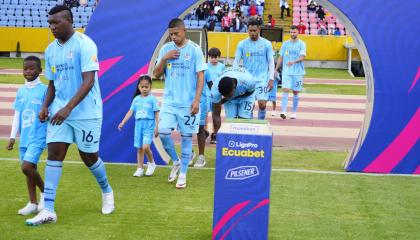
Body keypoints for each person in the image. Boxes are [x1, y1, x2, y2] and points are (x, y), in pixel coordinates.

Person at [26, 5, 114, 225]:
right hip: (59, 112)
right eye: (50, 23)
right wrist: (46, 106)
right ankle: (49, 210)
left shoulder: (85, 44)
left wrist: (68, 108)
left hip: (87, 112)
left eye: (56, 23)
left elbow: (89, 81)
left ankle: (106, 191)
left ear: (69, 21)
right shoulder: (50, 50)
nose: (52, 27)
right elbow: (53, 84)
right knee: (54, 154)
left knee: (89, 157)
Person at [153, 18, 206, 189]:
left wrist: (197, 100)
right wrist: (164, 59)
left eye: (176, 34)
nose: (173, 37)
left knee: (186, 137)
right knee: (162, 132)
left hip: (188, 104)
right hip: (169, 101)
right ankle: (175, 161)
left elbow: (200, 77)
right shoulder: (166, 49)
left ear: (184, 31)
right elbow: (155, 74)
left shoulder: (195, 50)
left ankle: (182, 174)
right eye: (171, 35)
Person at [6, 56, 47, 216]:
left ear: (39, 71)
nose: (28, 71)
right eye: (25, 69)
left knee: (27, 167)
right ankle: (32, 202)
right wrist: (11, 137)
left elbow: (48, 112)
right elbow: (17, 115)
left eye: (32, 68)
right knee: (30, 170)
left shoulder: (44, 90)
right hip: (25, 137)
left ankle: (46, 194)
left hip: (38, 136)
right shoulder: (21, 91)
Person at [233, 18, 275, 120]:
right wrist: (235, 77)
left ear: (259, 29)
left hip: (262, 79)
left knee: (262, 104)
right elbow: (236, 61)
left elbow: (271, 61)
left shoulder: (267, 44)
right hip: (247, 80)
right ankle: (251, 127)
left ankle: (261, 124)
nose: (252, 33)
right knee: (249, 106)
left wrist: (271, 78)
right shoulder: (242, 44)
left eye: (254, 30)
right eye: (250, 31)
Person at [118, 75, 159, 177]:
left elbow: (156, 113)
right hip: (138, 125)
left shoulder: (152, 99)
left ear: (150, 86)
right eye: (142, 87)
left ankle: (151, 163)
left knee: (146, 147)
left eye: (146, 87)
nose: (144, 89)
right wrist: (123, 122)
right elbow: (130, 112)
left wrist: (157, 126)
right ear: (139, 87)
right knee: (140, 148)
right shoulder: (136, 99)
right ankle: (140, 168)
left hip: (149, 124)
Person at [211, 67, 256, 135]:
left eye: (228, 95)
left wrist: (230, 98)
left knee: (243, 121)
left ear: (234, 87)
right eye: (224, 95)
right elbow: (216, 114)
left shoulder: (248, 80)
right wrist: (218, 135)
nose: (226, 96)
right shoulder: (215, 90)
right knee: (231, 122)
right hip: (229, 100)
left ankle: (243, 142)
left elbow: (251, 92)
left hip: (246, 95)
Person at [275, 25, 306, 120]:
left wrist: (293, 61)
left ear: (298, 32)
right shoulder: (285, 44)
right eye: (291, 32)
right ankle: (283, 111)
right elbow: (281, 57)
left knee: (295, 92)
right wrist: (276, 69)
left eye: (294, 32)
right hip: (287, 72)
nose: (292, 34)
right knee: (285, 89)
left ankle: (293, 112)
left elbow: (303, 57)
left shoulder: (302, 44)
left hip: (298, 72)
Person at [206, 48, 225, 145]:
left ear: (219, 57)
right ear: (209, 57)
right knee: (203, 114)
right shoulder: (205, 66)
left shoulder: (222, 67)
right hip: (206, 93)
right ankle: (204, 131)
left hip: (217, 94)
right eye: (211, 57)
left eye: (215, 57)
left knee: (216, 115)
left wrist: (222, 93)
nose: (213, 59)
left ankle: (216, 134)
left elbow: (224, 79)